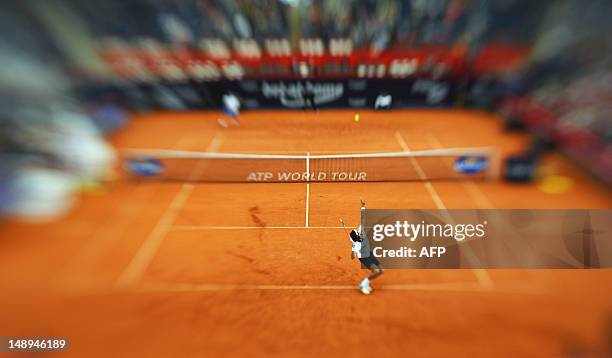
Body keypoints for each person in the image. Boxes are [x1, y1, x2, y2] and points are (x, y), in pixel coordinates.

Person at [350, 199, 383, 295]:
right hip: (364, 258)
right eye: (359, 235)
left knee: (381, 270)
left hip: (369, 253)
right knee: (376, 271)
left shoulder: (361, 229)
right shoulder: (356, 244)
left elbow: (363, 217)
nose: (361, 235)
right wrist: (353, 249)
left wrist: (363, 206)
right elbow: (352, 257)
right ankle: (363, 284)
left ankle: (366, 283)